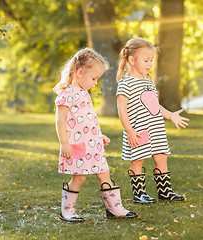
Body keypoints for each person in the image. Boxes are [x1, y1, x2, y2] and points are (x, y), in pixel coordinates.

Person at [53, 48, 138, 222]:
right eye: (93, 78)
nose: (95, 83)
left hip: (93, 144)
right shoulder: (67, 93)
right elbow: (60, 120)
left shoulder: (84, 93)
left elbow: (87, 120)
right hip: (77, 145)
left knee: (104, 174)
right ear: (79, 72)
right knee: (79, 178)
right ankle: (67, 210)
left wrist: (99, 135)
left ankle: (115, 208)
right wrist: (64, 143)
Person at [116, 37, 189, 204]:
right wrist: (129, 132)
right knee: (138, 160)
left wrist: (170, 115)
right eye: (146, 60)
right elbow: (121, 110)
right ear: (132, 60)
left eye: (151, 61)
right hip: (138, 130)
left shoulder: (148, 81)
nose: (149, 64)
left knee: (162, 157)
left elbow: (154, 105)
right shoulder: (126, 83)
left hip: (156, 128)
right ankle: (139, 194)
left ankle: (165, 192)